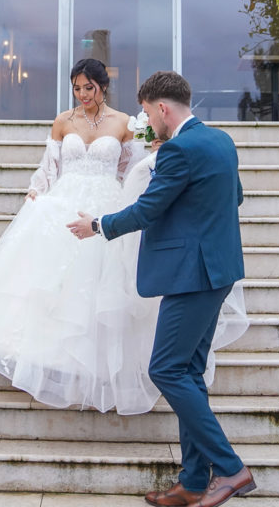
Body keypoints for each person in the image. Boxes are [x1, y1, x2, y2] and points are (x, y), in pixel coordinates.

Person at [0, 57, 247, 416]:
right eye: (77, 88)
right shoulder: (63, 121)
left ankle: (98, 369)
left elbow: (133, 174)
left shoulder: (126, 123)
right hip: (65, 201)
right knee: (51, 284)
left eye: (88, 87)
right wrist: (37, 193)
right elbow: (50, 167)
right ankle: (51, 362)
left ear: (102, 86)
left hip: (105, 203)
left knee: (102, 289)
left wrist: (110, 216)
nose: (83, 94)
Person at [68, 71, 256, 507]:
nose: (150, 119)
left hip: (192, 275)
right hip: (218, 270)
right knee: (188, 372)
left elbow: (149, 209)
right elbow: (235, 197)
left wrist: (97, 224)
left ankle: (230, 468)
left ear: (164, 108)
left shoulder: (178, 150)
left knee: (166, 369)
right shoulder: (220, 140)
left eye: (151, 112)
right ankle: (192, 481)